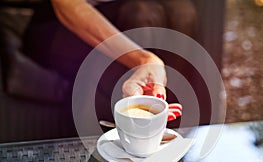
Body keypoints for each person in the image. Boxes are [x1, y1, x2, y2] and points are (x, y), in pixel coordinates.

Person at [22, 0, 200, 128]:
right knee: (138, 17)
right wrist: (142, 59)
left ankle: (159, 120)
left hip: (123, 13)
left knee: (182, 11)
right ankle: (121, 132)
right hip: (58, 25)